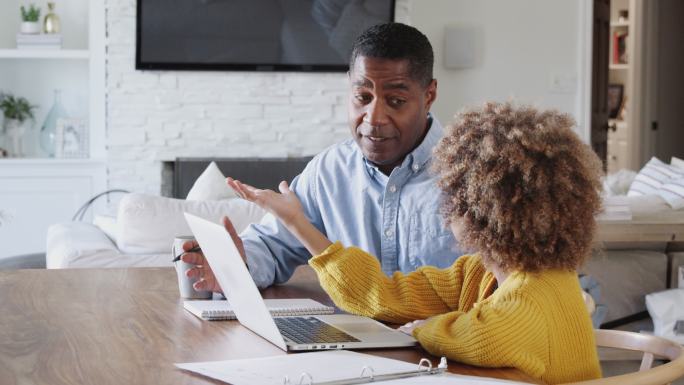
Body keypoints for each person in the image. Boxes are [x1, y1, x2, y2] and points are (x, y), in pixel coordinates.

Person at [228, 102, 603, 384]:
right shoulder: (481, 272)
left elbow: (485, 335)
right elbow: (383, 294)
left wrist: (426, 328)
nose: (445, 204)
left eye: (453, 193)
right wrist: (297, 221)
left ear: (481, 210)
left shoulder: (536, 292)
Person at [183, 23, 460, 290]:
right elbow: (271, 245)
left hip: (443, 337)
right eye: (362, 97)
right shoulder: (329, 171)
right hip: (352, 336)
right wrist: (234, 264)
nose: (373, 119)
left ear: (429, 95)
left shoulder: (470, 175)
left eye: (396, 101)